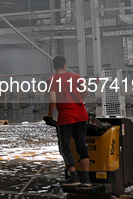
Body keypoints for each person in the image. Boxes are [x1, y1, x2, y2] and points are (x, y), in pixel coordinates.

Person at [44, 56, 91, 187]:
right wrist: (78, 99)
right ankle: (86, 180)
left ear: (54, 67)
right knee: (82, 147)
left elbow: (53, 99)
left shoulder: (51, 80)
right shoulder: (76, 77)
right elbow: (87, 91)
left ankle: (74, 177)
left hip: (65, 118)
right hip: (81, 116)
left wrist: (49, 115)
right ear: (65, 65)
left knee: (65, 148)